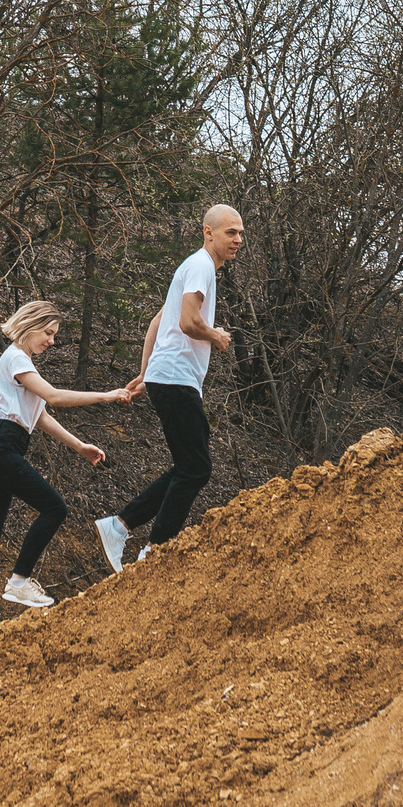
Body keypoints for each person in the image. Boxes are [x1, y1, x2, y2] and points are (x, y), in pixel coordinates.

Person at [0, 300, 134, 639]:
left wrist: (80, 447)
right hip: (2, 446)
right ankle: (19, 581)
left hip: (0, 448)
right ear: (31, 326)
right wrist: (106, 396)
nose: (51, 341)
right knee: (54, 508)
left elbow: (41, 415)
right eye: (48, 333)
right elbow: (55, 397)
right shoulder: (17, 356)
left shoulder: (21, 364)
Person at [97, 204, 244, 571]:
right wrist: (217, 336)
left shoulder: (194, 267)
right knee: (196, 468)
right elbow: (188, 322)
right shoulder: (201, 265)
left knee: (189, 465)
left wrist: (147, 372)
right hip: (177, 378)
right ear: (208, 231)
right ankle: (154, 549)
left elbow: (158, 321)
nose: (238, 240)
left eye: (241, 233)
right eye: (231, 232)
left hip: (170, 375)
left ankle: (119, 526)